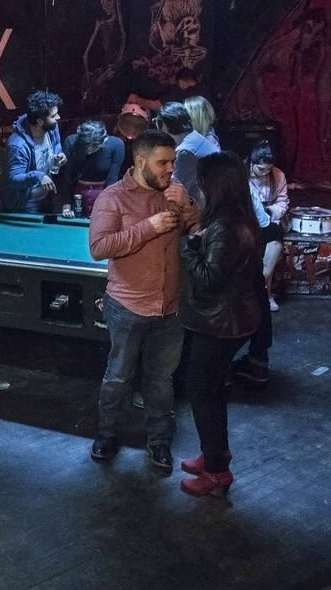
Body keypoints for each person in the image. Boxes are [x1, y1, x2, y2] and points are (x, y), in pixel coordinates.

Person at [89, 129, 198, 470]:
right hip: (127, 305)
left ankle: (160, 442)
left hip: (171, 307)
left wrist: (188, 206)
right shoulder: (113, 198)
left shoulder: (175, 192)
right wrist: (149, 227)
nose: (170, 169)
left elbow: (199, 231)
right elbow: (99, 248)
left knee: (161, 382)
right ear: (140, 162)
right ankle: (107, 435)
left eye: (173, 161)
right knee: (118, 377)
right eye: (163, 162)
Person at [178, 152, 263, 497]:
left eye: (202, 180)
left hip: (221, 323)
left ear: (216, 185)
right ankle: (216, 454)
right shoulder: (237, 218)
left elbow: (208, 278)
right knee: (212, 390)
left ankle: (216, 471)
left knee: (202, 392)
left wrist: (186, 245)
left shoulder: (227, 227)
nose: (198, 186)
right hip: (232, 319)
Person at [233, 142, 289, 384]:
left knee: (275, 233)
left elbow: (283, 201)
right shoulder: (241, 178)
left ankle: (265, 280)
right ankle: (264, 288)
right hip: (249, 221)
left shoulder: (278, 177)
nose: (264, 174)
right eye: (259, 170)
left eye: (267, 170)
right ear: (251, 164)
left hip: (268, 218)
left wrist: (272, 212)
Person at [2, 90, 67, 213]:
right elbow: (12, 179)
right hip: (25, 204)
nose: (58, 118)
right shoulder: (18, 145)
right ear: (39, 121)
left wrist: (60, 154)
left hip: (46, 197)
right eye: (53, 116)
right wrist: (38, 176)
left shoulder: (51, 127)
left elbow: (57, 144)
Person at [155, 101, 219, 204]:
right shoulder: (194, 138)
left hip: (204, 211)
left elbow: (174, 191)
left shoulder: (185, 152)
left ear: (164, 126)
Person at [62, 120, 125, 217]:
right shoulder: (71, 142)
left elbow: (112, 181)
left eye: (94, 146)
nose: (89, 150)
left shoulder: (116, 145)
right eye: (85, 146)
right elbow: (67, 177)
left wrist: (104, 208)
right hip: (77, 195)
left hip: (103, 193)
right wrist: (66, 207)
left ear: (104, 141)